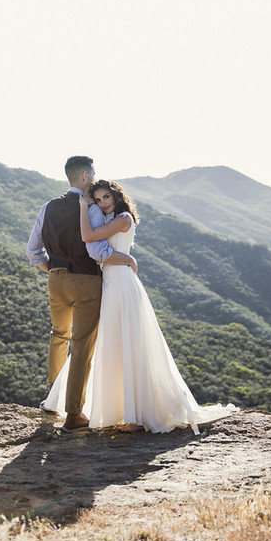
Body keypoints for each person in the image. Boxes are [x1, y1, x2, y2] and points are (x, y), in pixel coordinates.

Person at [43, 179, 238, 433]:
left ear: (117, 196)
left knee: (128, 343)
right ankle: (119, 409)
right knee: (110, 343)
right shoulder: (108, 218)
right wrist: (126, 256)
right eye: (98, 200)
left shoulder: (123, 219)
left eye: (106, 198)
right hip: (109, 284)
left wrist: (83, 206)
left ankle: (133, 413)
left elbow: (88, 237)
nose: (102, 203)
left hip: (122, 284)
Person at [26, 157, 137, 432]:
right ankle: (74, 415)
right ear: (86, 176)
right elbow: (97, 250)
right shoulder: (91, 210)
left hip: (56, 279)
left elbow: (32, 252)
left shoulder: (47, 207)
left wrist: (55, 269)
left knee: (58, 335)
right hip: (86, 280)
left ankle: (52, 399)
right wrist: (127, 259)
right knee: (82, 344)